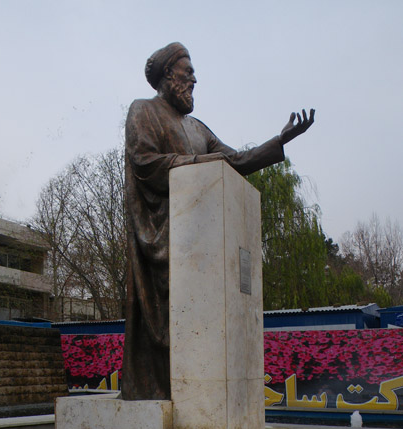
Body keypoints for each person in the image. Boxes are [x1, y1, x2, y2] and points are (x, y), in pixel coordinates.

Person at [122, 42, 314, 400]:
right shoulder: (143, 110)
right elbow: (144, 162)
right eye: (188, 71)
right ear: (168, 74)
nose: (195, 79)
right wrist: (197, 166)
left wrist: (278, 141)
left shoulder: (198, 128)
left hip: (202, 238)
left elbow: (236, 161)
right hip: (164, 233)